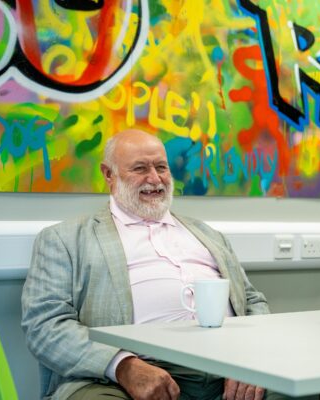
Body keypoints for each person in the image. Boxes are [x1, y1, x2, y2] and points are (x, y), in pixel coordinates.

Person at [22, 129, 272, 400]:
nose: (154, 179)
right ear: (109, 175)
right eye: (140, 168)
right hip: (119, 379)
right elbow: (44, 326)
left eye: (161, 167)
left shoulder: (208, 235)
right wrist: (122, 366)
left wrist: (250, 358)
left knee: (296, 391)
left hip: (229, 371)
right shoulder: (64, 239)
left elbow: (252, 300)